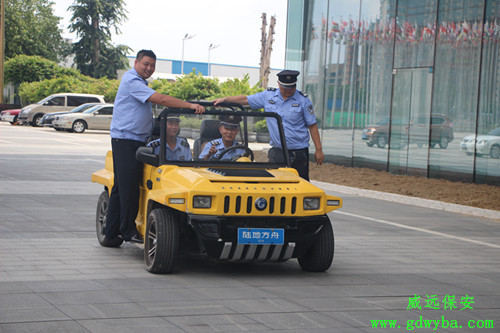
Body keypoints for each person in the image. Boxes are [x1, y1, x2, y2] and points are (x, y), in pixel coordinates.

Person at [103, 49, 204, 247]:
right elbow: (162, 100)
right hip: (126, 140)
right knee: (129, 187)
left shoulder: (139, 82)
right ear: (136, 63)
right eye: (146, 64)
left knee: (120, 187)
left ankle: (111, 234)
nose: (149, 68)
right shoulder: (132, 81)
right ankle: (128, 231)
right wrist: (190, 106)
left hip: (134, 139)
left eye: (152, 66)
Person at [212, 70, 323, 180]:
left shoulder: (303, 100)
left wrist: (319, 149)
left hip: (298, 151)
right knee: (275, 184)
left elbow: (312, 125)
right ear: (278, 84)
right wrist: (225, 100)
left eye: (291, 87)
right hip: (278, 152)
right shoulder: (268, 96)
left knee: (301, 184)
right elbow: (245, 99)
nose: (288, 91)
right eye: (285, 87)